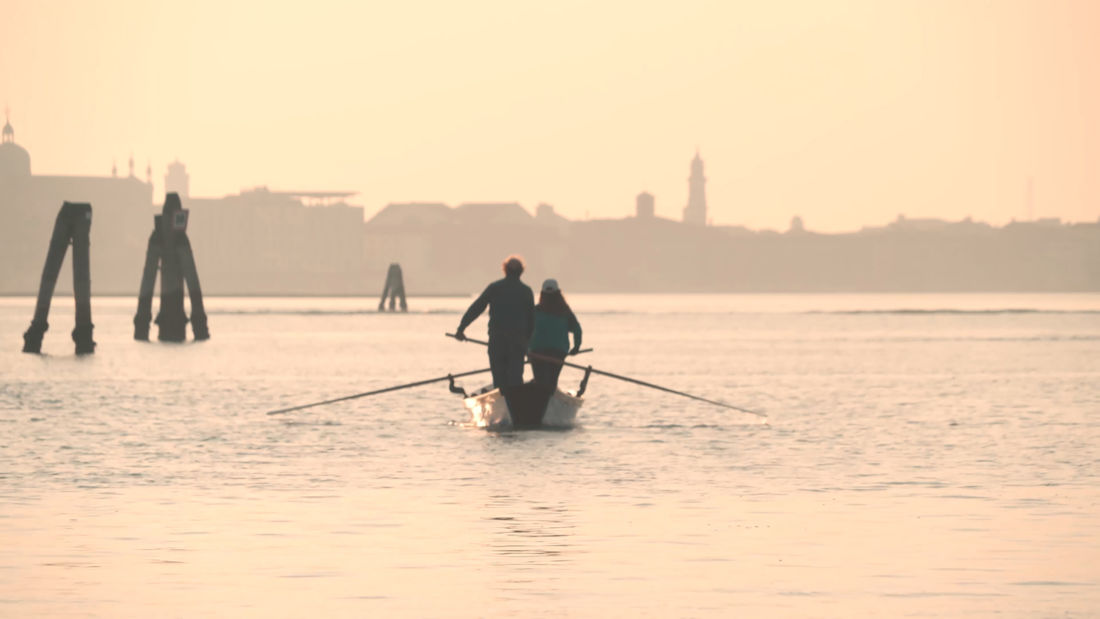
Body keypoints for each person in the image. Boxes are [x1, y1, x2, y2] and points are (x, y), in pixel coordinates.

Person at [454, 255, 535, 389]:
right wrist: (530, 348)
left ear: (505, 270)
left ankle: (503, 402)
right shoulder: (526, 291)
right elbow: (532, 323)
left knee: (499, 379)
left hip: (497, 342)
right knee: (515, 379)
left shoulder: (495, 287)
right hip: (518, 343)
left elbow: (476, 308)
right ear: (521, 271)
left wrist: (461, 329)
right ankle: (516, 405)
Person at [528, 278, 582, 390]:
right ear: (558, 293)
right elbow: (577, 330)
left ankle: (540, 397)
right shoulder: (565, 312)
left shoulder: (535, 311)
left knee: (539, 380)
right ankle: (549, 396)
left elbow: (524, 330)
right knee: (552, 380)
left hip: (537, 352)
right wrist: (576, 348)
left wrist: (525, 349)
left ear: (542, 294)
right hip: (558, 352)